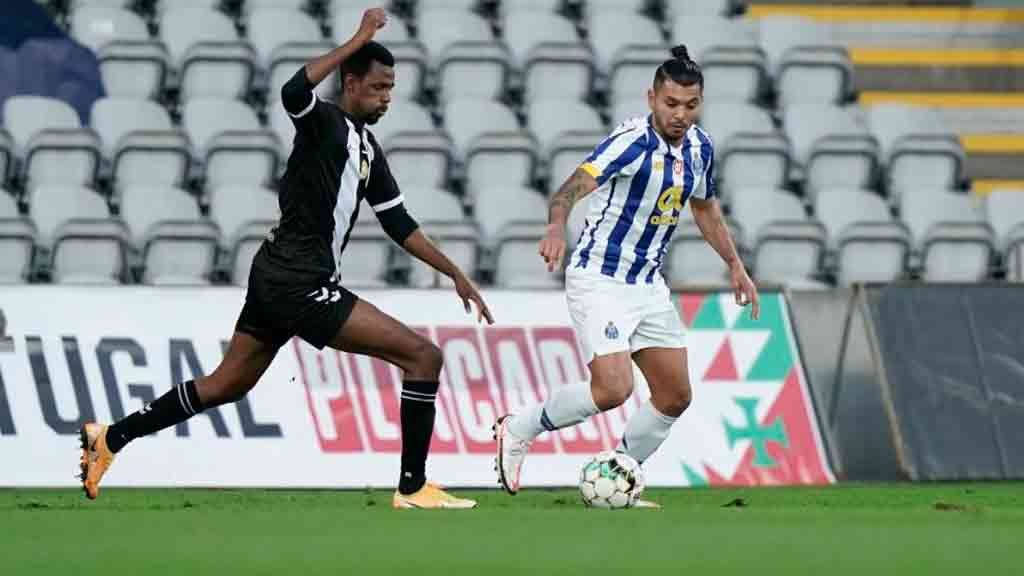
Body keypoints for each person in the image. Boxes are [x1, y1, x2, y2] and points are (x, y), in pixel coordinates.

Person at [79, 8, 492, 510]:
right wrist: (357, 37)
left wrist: (455, 273)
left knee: (225, 384)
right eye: (379, 87)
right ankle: (412, 487)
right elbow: (293, 91)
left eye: (391, 89)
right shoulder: (323, 123)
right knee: (423, 356)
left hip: (277, 275)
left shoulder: (366, 149)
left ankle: (111, 438)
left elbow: (399, 224)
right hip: (299, 280)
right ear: (351, 81)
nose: (387, 98)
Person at [493, 45, 759, 505]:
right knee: (614, 388)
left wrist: (735, 264)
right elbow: (568, 189)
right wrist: (556, 226)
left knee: (675, 395)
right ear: (651, 97)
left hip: (648, 284)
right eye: (670, 103)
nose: (680, 114)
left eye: (690, 105)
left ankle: (618, 473)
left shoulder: (699, 147)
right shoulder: (631, 142)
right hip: (599, 277)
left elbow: (704, 208)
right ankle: (519, 426)